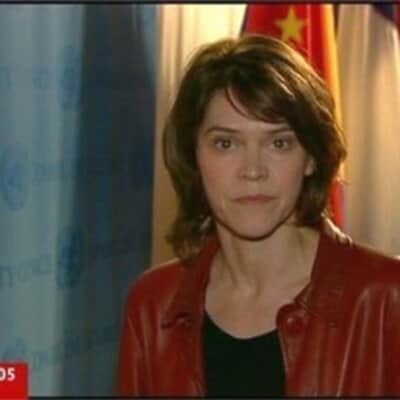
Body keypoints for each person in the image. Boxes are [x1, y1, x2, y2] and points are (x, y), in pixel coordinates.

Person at [117, 35, 400, 396]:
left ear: (311, 158)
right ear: (193, 156)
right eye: (226, 143)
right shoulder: (154, 306)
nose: (253, 170)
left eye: (279, 143)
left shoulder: (387, 299)